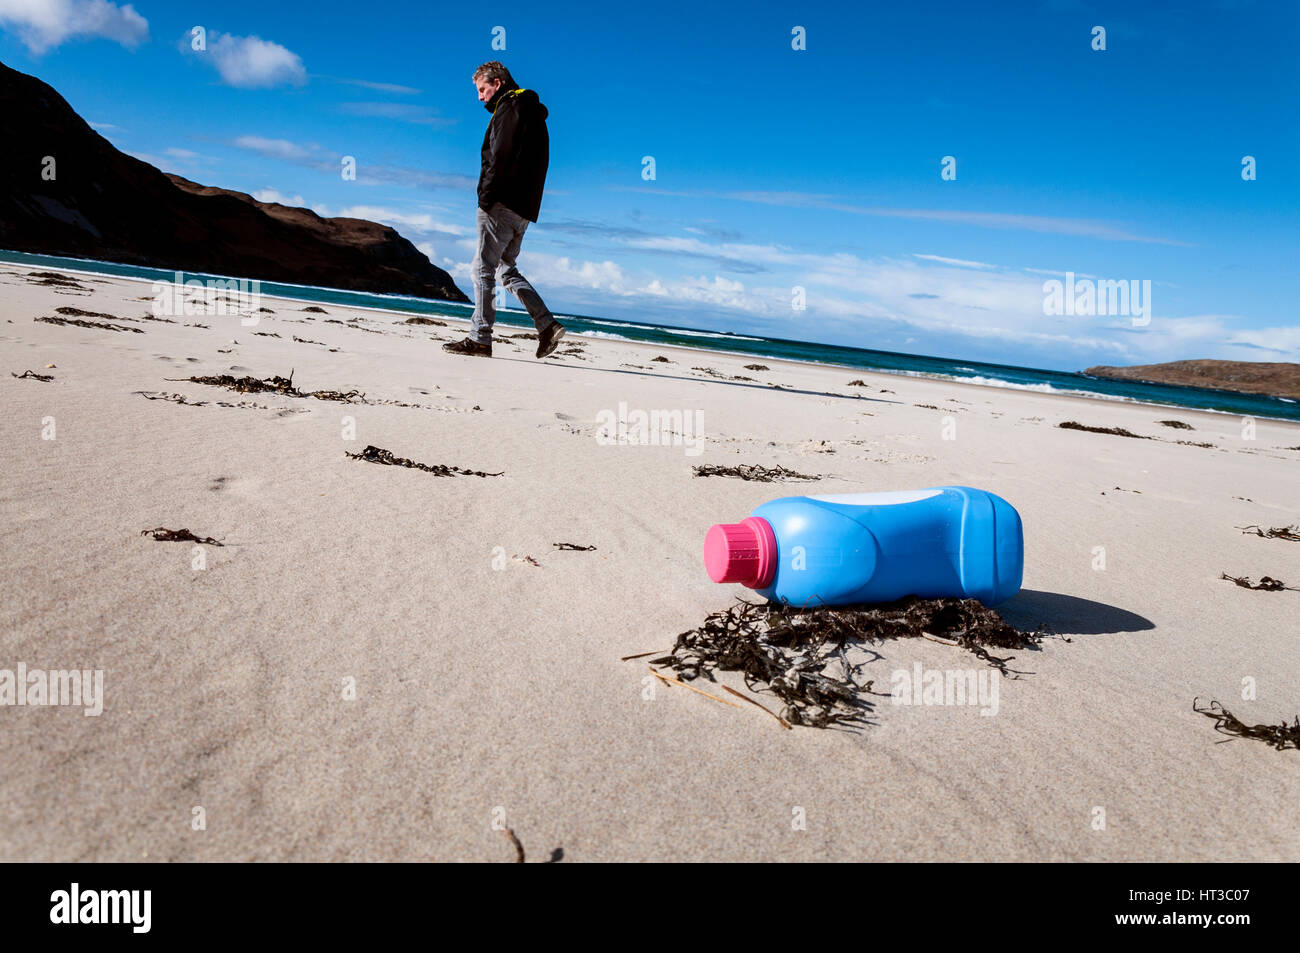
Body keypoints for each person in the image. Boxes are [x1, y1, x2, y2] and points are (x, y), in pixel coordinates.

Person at [443, 61, 566, 359]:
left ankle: (480, 338)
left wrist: (486, 197)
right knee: (505, 269)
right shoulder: (534, 113)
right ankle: (546, 325)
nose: (480, 97)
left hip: (501, 203)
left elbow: (500, 156)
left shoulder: (510, 108)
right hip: (524, 208)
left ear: (497, 84)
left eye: (483, 90)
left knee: (482, 268)